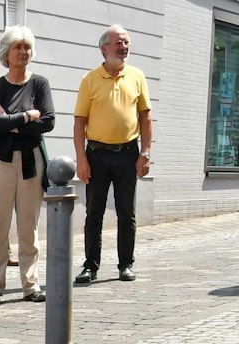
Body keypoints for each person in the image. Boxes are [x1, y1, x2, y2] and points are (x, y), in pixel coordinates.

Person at [73, 24, 150, 285]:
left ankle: (125, 265)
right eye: (119, 42)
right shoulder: (90, 80)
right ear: (104, 48)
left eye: (127, 42)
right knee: (93, 213)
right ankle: (90, 267)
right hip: (96, 154)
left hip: (128, 154)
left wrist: (146, 153)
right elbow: (79, 123)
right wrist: (81, 159)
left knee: (126, 212)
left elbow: (145, 117)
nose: (125, 47)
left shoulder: (137, 76)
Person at [0, 25, 52, 303]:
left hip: (31, 161)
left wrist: (10, 121)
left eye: (27, 47)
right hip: (3, 160)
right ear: (6, 53)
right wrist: (27, 117)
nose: (23, 52)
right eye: (17, 47)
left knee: (28, 225)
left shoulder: (40, 83)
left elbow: (48, 121)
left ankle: (30, 285)